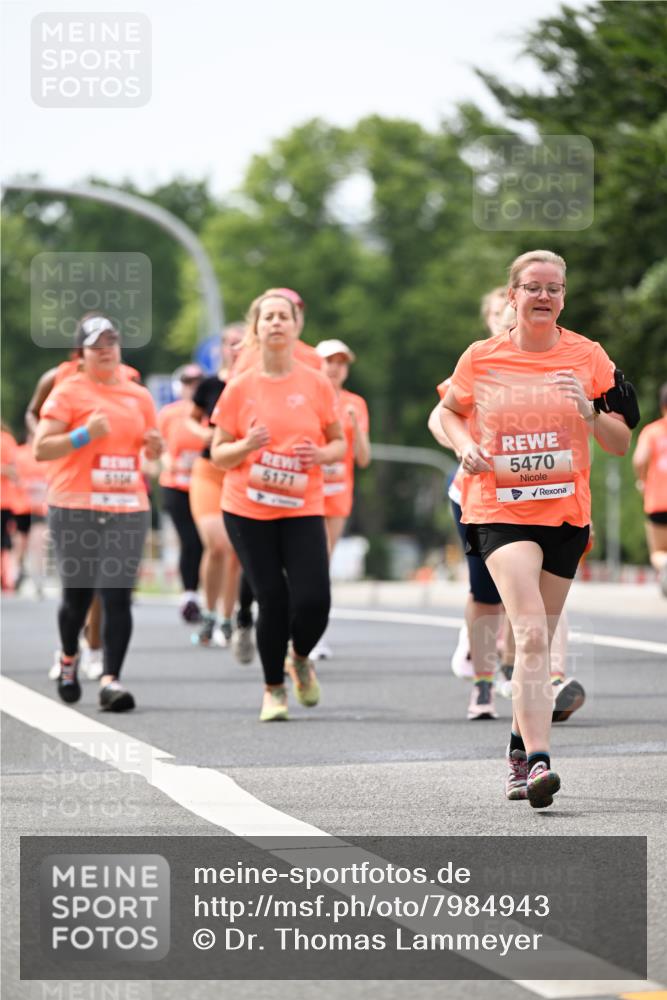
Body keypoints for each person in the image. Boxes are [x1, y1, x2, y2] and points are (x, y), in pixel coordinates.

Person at [439, 250, 633, 808]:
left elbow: (620, 444)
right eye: (531, 287)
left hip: (565, 515)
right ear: (513, 296)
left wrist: (592, 414)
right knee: (528, 635)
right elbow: (450, 411)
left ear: (564, 297)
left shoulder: (589, 357)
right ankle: (541, 763)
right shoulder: (482, 357)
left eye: (553, 287)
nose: (543, 296)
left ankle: (518, 750)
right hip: (498, 510)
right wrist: (465, 444)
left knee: (539, 638)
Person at [210, 291, 344, 721]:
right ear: (256, 328)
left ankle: (299, 657)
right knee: (272, 598)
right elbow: (217, 453)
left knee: (315, 601)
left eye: (283, 317)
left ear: (295, 326)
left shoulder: (316, 382)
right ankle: (273, 690)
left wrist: (320, 455)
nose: (275, 323)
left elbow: (338, 441)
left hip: (302, 503)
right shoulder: (240, 386)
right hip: (248, 507)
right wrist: (245, 445)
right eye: (267, 317)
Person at [33, 315, 161, 711]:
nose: (105, 349)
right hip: (75, 505)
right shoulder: (68, 390)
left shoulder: (139, 396)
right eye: (96, 344)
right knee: (77, 598)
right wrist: (84, 433)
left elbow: (152, 466)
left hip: (126, 505)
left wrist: (154, 455)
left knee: (117, 596)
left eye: (112, 342)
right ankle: (69, 657)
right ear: (82, 353)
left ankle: (111, 680)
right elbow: (41, 448)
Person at [311, 338, 371, 659]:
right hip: (305, 491)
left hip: (337, 492)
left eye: (341, 362)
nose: (335, 367)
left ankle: (313, 633)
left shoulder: (355, 404)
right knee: (309, 562)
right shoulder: (308, 398)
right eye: (329, 361)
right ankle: (299, 627)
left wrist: (353, 427)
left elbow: (363, 458)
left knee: (322, 563)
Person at [187, 324, 245, 646]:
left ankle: (227, 617)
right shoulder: (210, 385)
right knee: (218, 545)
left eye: (242, 343)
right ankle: (208, 612)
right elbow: (190, 417)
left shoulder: (253, 385)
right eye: (230, 344)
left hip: (239, 471)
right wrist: (202, 434)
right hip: (209, 469)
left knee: (236, 551)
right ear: (221, 348)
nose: (235, 349)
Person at [157, 364, 205, 622]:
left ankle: (207, 594)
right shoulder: (169, 414)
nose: (193, 386)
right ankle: (189, 594)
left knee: (208, 542)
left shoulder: (211, 411)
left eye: (198, 382)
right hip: (176, 485)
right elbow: (156, 444)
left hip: (206, 485)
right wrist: (167, 460)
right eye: (188, 382)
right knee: (190, 540)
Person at [633, 382, 667, 596]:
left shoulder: (652, 431)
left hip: (658, 500)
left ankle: (664, 564)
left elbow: (639, 459)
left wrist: (642, 480)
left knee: (658, 551)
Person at [11, 433, 49, 596]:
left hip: (39, 508)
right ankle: (17, 572)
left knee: (38, 541)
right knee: (20, 543)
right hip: (21, 506)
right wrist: (26, 485)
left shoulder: (46, 455)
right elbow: (12, 475)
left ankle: (37, 579)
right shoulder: (19, 453)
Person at [1, 422, 19, 591]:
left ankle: (6, 577)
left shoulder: (6, 440)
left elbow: (15, 471)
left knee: (4, 541)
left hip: (4, 501)